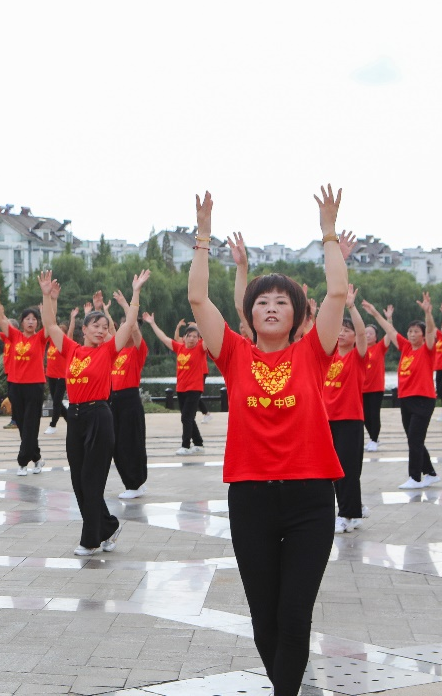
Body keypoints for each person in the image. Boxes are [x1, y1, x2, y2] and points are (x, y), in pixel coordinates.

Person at [189, 187, 346, 696]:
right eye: (263, 301)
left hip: (311, 499)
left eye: (283, 302)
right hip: (251, 498)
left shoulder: (313, 353)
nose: (272, 307)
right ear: (250, 314)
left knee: (294, 612)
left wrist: (327, 231)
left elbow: (339, 295)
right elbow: (197, 299)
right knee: (264, 615)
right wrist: (204, 237)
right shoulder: (233, 354)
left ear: (299, 314)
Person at [40, 270, 148, 555]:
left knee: (92, 479)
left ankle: (90, 540)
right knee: (78, 480)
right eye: (95, 326)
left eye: (104, 326)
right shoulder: (72, 350)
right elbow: (50, 325)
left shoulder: (108, 350)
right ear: (84, 330)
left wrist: (135, 292)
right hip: (74, 417)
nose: (101, 330)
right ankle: (108, 525)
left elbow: (130, 324)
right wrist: (48, 296)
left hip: (99, 417)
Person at [364, 292, 440, 489]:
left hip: (423, 399)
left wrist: (428, 314)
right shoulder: (406, 348)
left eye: (416, 331)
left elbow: (431, 331)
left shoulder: (427, 349)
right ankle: (430, 473)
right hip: (406, 399)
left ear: (422, 335)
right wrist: (375, 314)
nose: (412, 334)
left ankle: (415, 478)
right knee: (414, 438)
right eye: (410, 331)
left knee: (415, 438)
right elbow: (389, 330)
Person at [0, 282, 48, 475]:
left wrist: (49, 299)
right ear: (22, 322)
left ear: (37, 323)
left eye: (34, 319)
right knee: (23, 424)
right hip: (15, 385)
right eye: (27, 319)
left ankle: (22, 462)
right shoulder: (14, 336)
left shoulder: (40, 338)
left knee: (32, 423)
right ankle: (37, 458)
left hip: (35, 386)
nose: (31, 322)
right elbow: (0, 318)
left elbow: (52, 323)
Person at [324, 285, 369, 533]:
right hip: (327, 419)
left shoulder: (356, 357)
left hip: (350, 419)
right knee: (332, 469)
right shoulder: (329, 357)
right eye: (339, 330)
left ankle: (348, 514)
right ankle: (351, 509)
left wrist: (351, 306)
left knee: (348, 468)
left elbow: (362, 335)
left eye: (346, 330)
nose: (342, 334)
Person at [142, 313, 207, 456]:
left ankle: (185, 446)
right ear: (184, 338)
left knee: (186, 418)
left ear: (199, 338)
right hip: (181, 388)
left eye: (195, 336)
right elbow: (164, 338)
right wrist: (152, 323)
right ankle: (199, 443)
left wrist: (200, 325)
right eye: (189, 336)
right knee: (188, 417)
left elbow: (209, 337)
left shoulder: (200, 348)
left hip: (194, 389)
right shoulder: (180, 347)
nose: (191, 338)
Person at [109, 296, 150, 499]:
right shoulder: (114, 353)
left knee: (131, 442)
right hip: (113, 401)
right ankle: (133, 482)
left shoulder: (137, 351)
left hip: (129, 401)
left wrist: (127, 306)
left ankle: (135, 483)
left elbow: (133, 328)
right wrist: (102, 310)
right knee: (116, 444)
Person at [358, 301, 393, 451]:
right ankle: (374, 437)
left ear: (376, 336)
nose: (367, 335)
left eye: (370, 333)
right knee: (364, 415)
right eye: (365, 333)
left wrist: (389, 319)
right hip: (360, 388)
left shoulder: (379, 348)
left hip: (375, 388)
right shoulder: (359, 349)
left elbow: (390, 334)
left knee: (374, 414)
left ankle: (373, 439)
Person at [43, 308, 77, 436]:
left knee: (56, 401)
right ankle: (72, 422)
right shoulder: (51, 342)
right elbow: (49, 324)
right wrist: (44, 312)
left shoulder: (65, 345)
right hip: (50, 375)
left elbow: (71, 332)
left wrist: (72, 318)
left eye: (61, 332)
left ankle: (53, 425)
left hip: (61, 377)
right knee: (56, 402)